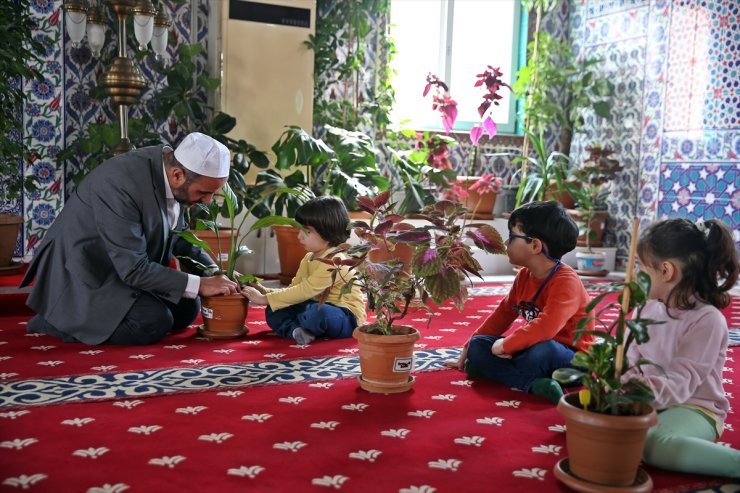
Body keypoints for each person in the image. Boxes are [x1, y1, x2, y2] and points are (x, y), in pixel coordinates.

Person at [20, 132, 240, 345]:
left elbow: (179, 237)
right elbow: (133, 268)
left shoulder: (170, 172)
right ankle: (61, 319)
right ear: (177, 175)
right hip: (86, 272)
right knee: (153, 322)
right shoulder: (121, 184)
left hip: (122, 264)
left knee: (188, 308)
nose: (208, 201)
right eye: (204, 193)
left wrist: (214, 272)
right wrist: (200, 284)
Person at [444, 200, 595, 404]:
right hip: (532, 349)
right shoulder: (524, 276)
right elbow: (503, 314)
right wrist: (468, 347)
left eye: (512, 237)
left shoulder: (567, 282)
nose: (506, 243)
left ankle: (498, 372)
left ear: (534, 245)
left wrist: (505, 346)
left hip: (570, 358)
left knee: (542, 350)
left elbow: (545, 328)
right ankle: (534, 385)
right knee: (479, 345)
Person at [622, 218, 740, 478]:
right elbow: (629, 360)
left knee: (654, 446)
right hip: (649, 403)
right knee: (587, 421)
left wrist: (635, 395)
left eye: (640, 266)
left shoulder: (707, 320)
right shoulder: (644, 310)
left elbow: (680, 382)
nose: (633, 274)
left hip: (694, 407)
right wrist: (616, 384)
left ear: (666, 271)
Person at [240, 196, 366, 345]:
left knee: (317, 313)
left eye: (306, 231)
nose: (299, 236)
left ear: (327, 231)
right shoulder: (309, 258)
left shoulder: (335, 260)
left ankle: (308, 325)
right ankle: (297, 332)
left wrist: (263, 299)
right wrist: (263, 291)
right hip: (311, 307)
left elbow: (305, 291)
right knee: (274, 309)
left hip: (345, 316)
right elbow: (294, 291)